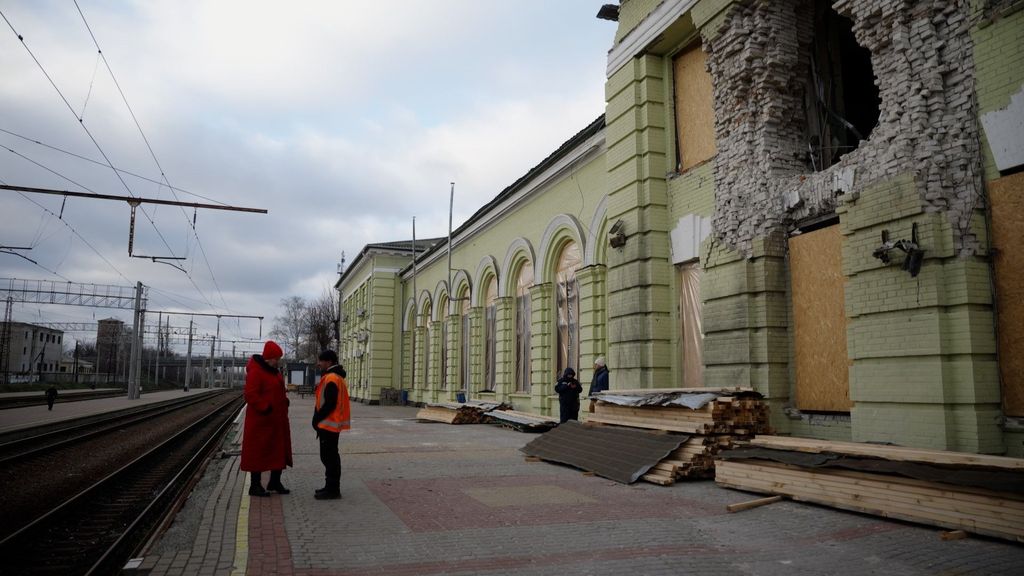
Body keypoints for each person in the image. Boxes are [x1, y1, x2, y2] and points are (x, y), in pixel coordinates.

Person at [240, 340, 293, 497]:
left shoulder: (274, 371)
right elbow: (250, 394)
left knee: (279, 451)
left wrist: (284, 401)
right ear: (269, 357)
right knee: (257, 453)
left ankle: (274, 482)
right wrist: (266, 407)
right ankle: (255, 486)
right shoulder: (256, 372)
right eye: (276, 358)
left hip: (276, 420)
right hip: (261, 421)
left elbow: (276, 390)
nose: (278, 361)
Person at [312, 349, 350, 500]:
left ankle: (333, 489)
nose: (319, 363)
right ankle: (330, 486)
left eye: (321, 361)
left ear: (328, 362)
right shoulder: (335, 377)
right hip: (331, 424)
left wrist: (317, 419)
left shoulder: (331, 378)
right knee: (330, 456)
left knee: (329, 457)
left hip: (328, 424)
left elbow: (330, 403)